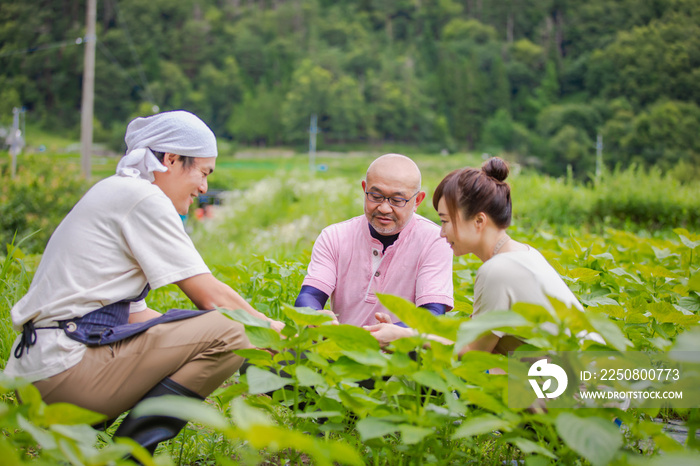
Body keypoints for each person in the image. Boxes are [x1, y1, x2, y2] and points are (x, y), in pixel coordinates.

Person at [4, 110, 284, 455]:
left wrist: (201, 335)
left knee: (217, 330)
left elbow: (136, 316)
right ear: (170, 159)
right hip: (64, 371)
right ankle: (129, 458)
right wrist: (276, 333)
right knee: (233, 328)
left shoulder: (120, 192)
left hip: (39, 375)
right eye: (203, 172)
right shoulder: (143, 197)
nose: (204, 187)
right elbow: (211, 298)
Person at [366, 157, 597, 354]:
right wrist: (403, 331)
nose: (441, 232)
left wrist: (403, 338)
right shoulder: (522, 254)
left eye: (445, 221)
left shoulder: (498, 270)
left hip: (587, 391)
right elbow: (472, 333)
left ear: (479, 221)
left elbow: (469, 351)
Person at [294, 153, 454, 328]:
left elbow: (433, 313)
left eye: (397, 200)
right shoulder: (334, 236)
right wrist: (316, 316)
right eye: (376, 197)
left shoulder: (435, 240)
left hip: (402, 351)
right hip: (340, 347)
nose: (384, 208)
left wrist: (395, 332)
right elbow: (310, 295)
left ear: (417, 200)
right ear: (364, 189)